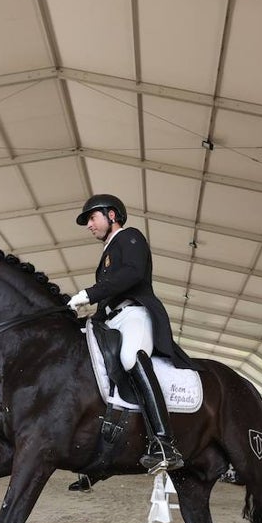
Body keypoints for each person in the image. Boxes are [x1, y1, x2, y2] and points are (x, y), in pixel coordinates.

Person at [68, 193, 197, 473]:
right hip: (112, 319)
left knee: (130, 357)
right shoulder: (106, 252)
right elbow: (107, 299)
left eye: (92, 218)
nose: (89, 225)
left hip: (134, 315)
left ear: (111, 215)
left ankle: (164, 442)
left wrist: (88, 293)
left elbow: (132, 274)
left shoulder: (131, 238)